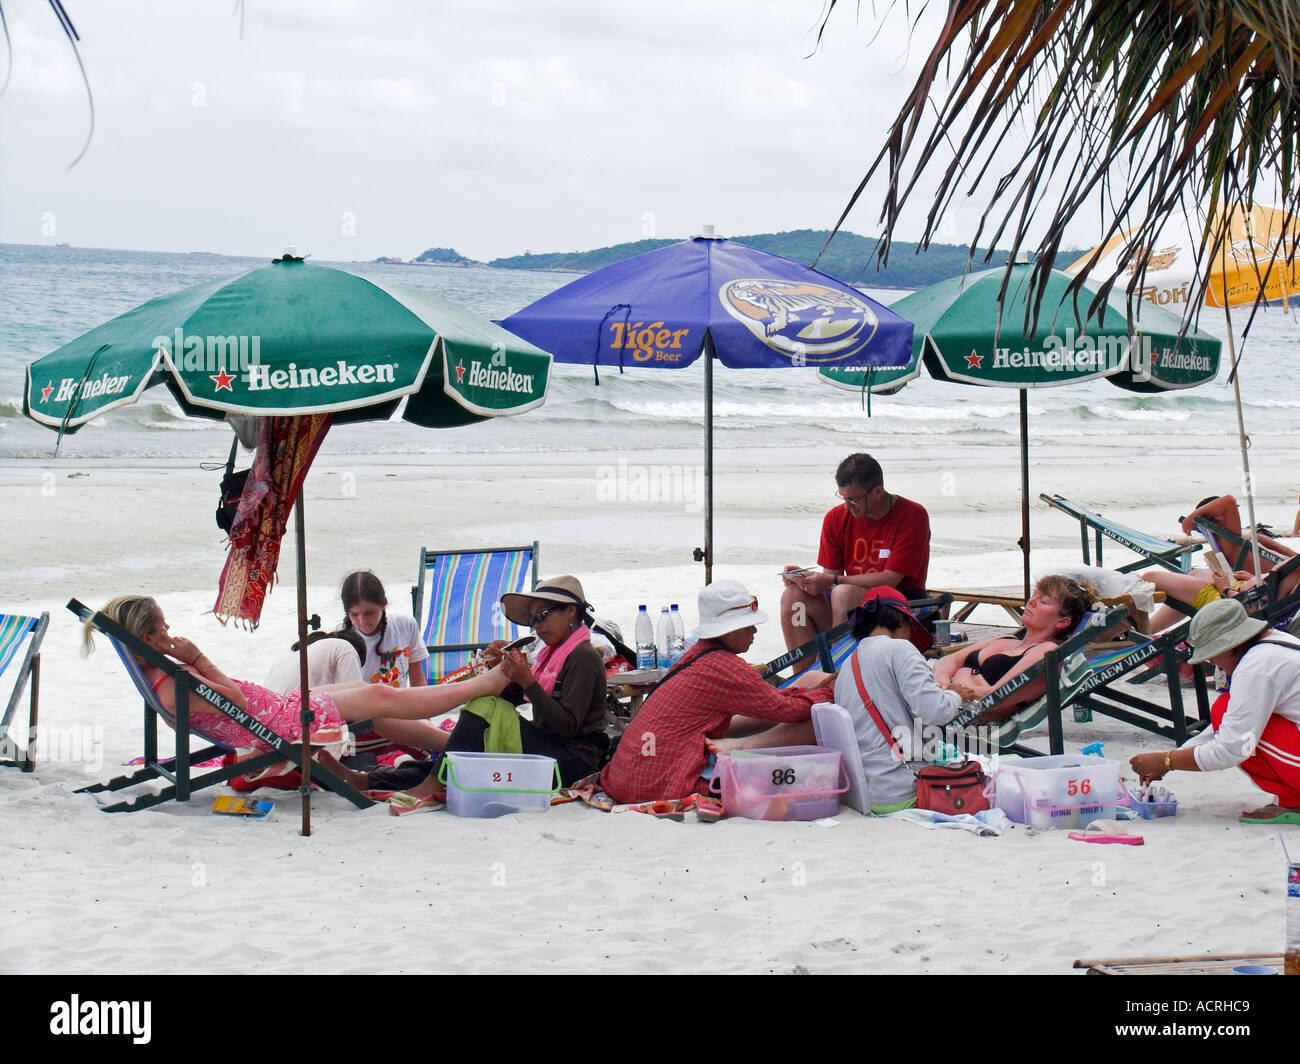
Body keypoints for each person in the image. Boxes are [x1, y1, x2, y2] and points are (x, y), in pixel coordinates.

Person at [84, 596, 508, 754]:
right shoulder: (175, 684)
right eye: (162, 628)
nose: (170, 634)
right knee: (381, 696)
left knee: (369, 694)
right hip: (281, 724)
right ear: (146, 636)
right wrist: (198, 658)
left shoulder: (162, 677)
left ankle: (454, 746)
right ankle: (483, 685)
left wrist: (191, 664)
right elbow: (237, 701)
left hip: (281, 711)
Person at [362, 576, 617, 812]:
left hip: (571, 761)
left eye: (543, 615)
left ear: (571, 611)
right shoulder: (549, 655)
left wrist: (526, 680)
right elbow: (509, 701)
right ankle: (372, 780)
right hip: (548, 751)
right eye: (533, 620)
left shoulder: (583, 657)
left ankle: (428, 784)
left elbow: (567, 726)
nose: (537, 626)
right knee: (463, 759)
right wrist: (502, 668)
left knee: (479, 718)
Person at [601, 580, 836, 805]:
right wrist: (829, 692)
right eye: (747, 626)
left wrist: (811, 690)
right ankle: (742, 745)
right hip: (655, 785)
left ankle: (741, 744)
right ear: (730, 631)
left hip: (627, 777)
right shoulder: (727, 668)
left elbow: (770, 704)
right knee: (816, 715)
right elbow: (788, 710)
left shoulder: (698, 654)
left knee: (804, 689)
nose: (754, 630)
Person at [1130, 598, 1300, 824]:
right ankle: (1292, 800)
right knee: (1224, 708)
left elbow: (1231, 748)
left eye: (1212, 652)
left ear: (1232, 645)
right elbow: (1230, 724)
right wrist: (1172, 758)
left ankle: (1293, 801)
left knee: (1239, 731)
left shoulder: (1256, 667)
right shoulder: (1275, 642)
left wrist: (1169, 761)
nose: (1211, 660)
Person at [780, 452, 931, 652]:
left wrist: (832, 582)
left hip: (899, 609)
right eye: (843, 498)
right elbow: (831, 577)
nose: (846, 506)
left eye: (853, 499)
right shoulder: (835, 518)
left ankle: (836, 673)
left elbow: (890, 580)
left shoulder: (913, 515)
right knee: (793, 597)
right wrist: (807, 580)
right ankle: (804, 676)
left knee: (843, 593)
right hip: (850, 612)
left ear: (877, 492)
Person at [931, 575, 1097, 721]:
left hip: (966, 721)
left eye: (1044, 601)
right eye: (1034, 596)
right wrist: (942, 681)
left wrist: (954, 684)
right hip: (941, 700)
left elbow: (996, 697)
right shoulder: (1006, 639)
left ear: (1062, 622)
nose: (1031, 602)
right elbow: (948, 659)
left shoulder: (1046, 652)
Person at [1143, 494, 1298, 630]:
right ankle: (1146, 630)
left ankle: (1143, 630)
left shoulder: (1233, 543)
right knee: (1193, 573)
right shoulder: (1242, 540)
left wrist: (1190, 520)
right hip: (1259, 587)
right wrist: (1251, 577)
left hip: (1246, 597)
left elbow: (1228, 501)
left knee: (1150, 577)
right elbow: (1287, 554)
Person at [340, 570, 429, 687]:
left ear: (383, 604)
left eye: (369, 613)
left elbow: (418, 682)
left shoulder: (406, 625)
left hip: (401, 703)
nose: (362, 621)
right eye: (354, 615)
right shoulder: (342, 643)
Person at [263, 629, 365, 695]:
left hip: (263, 718)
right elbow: (356, 696)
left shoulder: (294, 653)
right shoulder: (346, 648)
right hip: (289, 716)